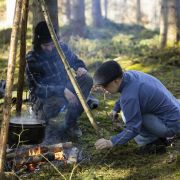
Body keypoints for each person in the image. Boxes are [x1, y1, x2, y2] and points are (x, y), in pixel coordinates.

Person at [26, 21, 97, 138]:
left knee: (87, 79)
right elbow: (37, 88)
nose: (49, 48)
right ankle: (45, 122)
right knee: (57, 102)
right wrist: (62, 90)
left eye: (51, 44)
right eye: (45, 45)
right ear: (39, 43)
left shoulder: (62, 47)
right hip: (45, 99)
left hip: (66, 89)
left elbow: (76, 61)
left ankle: (70, 123)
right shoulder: (32, 58)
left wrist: (80, 67)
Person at [93, 60, 180, 153]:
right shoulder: (130, 75)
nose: (104, 89)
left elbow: (133, 128)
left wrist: (111, 142)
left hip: (171, 126)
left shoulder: (129, 98)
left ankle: (153, 144)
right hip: (176, 112)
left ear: (116, 81)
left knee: (128, 116)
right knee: (130, 109)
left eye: (105, 85)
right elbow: (129, 95)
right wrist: (116, 108)